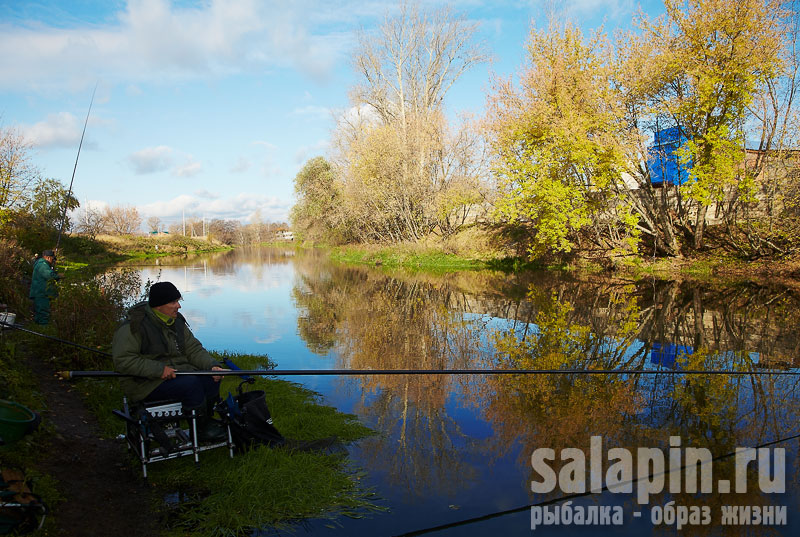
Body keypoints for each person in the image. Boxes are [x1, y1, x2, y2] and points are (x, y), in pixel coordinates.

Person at [112, 281, 228, 442]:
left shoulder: (176, 321)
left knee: (211, 378)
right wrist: (159, 369)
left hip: (177, 375)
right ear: (159, 305)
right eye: (173, 302)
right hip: (144, 383)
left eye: (178, 301)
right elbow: (124, 361)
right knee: (190, 384)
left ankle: (204, 422)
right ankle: (201, 429)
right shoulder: (134, 327)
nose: (178, 306)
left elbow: (194, 349)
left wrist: (212, 366)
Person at [29, 249, 60, 325]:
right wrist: (58, 276)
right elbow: (50, 275)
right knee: (43, 315)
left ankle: (37, 330)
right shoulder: (42, 265)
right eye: (53, 259)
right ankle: (43, 332)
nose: (53, 261)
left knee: (39, 315)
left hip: (41, 293)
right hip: (41, 294)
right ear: (48, 258)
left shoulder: (42, 264)